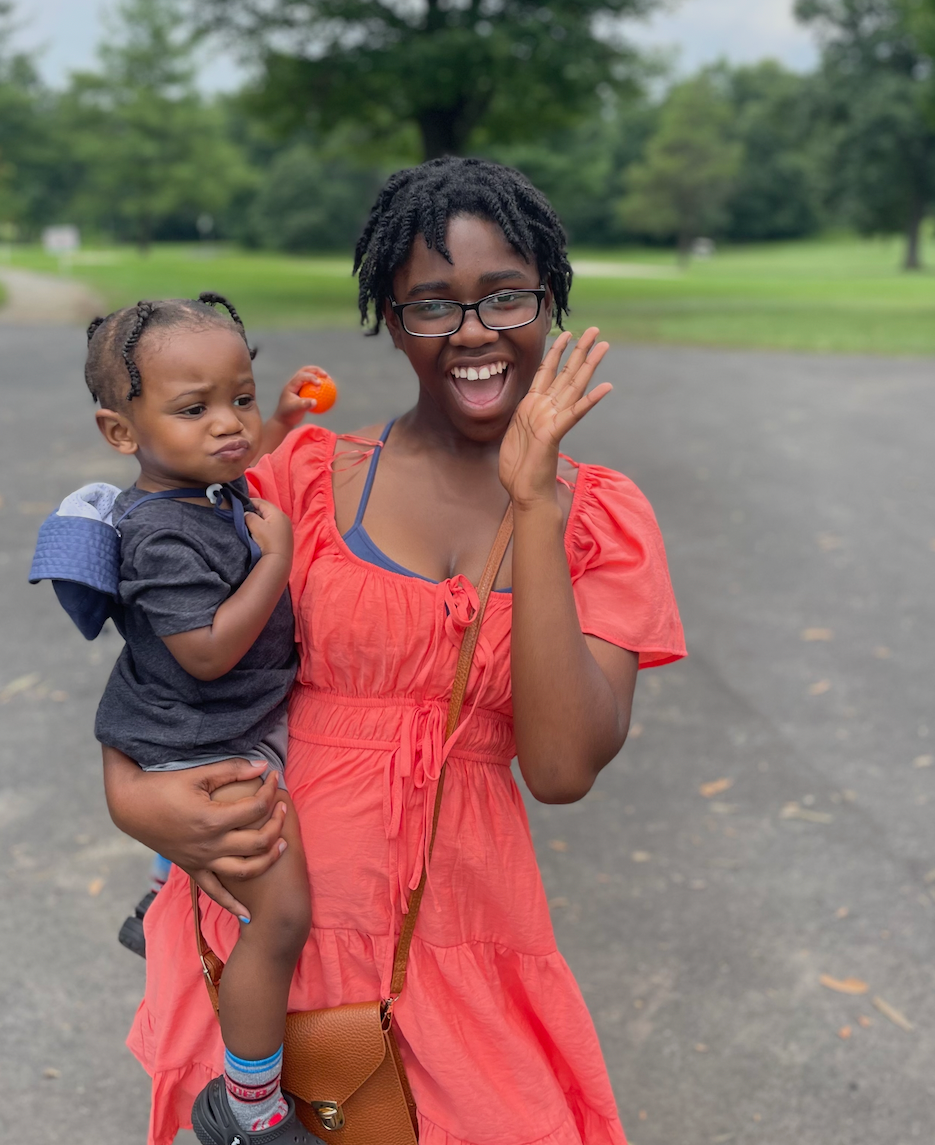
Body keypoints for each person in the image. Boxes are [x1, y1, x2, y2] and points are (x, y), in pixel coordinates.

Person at [101, 161, 687, 1145]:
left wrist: (533, 500)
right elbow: (166, 663)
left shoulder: (602, 518)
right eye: (430, 305)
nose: (472, 331)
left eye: (505, 294)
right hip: (271, 928)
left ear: (550, 295)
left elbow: (559, 765)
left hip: (463, 930)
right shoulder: (300, 474)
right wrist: (131, 796)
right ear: (386, 313)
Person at [83, 293, 327, 1143]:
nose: (231, 427)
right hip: (201, 739)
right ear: (124, 433)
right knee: (282, 914)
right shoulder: (160, 535)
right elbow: (209, 652)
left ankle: (153, 901)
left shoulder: (202, 483)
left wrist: (285, 424)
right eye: (195, 409)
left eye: (244, 397)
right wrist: (278, 561)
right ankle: (248, 1108)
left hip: (204, 722)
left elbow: (238, 449)